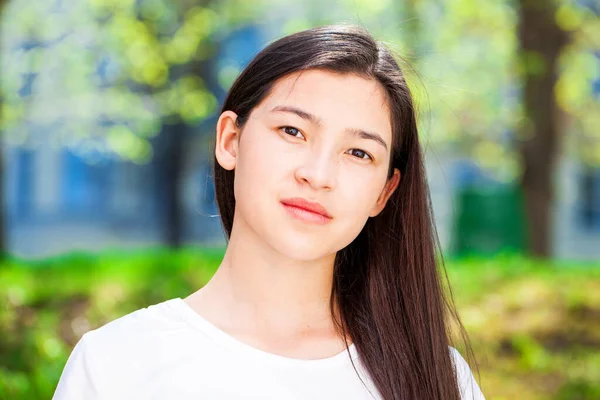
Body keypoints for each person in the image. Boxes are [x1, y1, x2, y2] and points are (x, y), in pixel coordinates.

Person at [53, 24, 485, 400]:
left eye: (358, 152)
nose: (317, 175)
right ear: (230, 140)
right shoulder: (116, 365)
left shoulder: (437, 378)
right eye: (292, 130)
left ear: (384, 192)